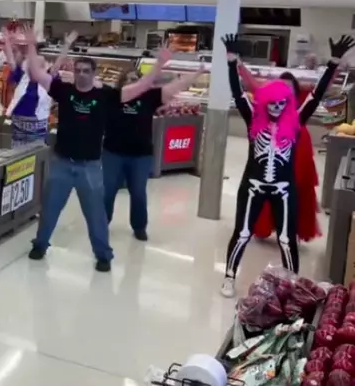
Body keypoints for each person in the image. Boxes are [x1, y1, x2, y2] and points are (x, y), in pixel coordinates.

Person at [21, 27, 167, 272]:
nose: (81, 75)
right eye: (78, 71)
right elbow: (37, 73)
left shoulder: (106, 96)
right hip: (62, 163)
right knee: (50, 209)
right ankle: (40, 244)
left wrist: (159, 65)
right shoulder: (64, 91)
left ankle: (103, 255)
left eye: (86, 71)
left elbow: (141, 86)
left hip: (90, 166)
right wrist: (31, 45)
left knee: (96, 215)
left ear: (94, 73)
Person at [220, 33, 352, 297]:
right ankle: (229, 276)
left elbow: (315, 97)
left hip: (284, 187)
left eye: (283, 103)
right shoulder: (252, 119)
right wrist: (231, 61)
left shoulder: (295, 121)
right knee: (242, 233)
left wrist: (334, 62)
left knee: (286, 238)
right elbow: (237, 93)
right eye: (273, 104)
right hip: (253, 185)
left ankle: (291, 283)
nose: (278, 108)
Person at [102, 54, 206, 241]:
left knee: (139, 193)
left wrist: (197, 73)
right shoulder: (112, 97)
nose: (133, 83)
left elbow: (175, 87)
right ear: (122, 82)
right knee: (108, 191)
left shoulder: (149, 97)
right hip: (112, 153)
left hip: (140, 155)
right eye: (129, 80)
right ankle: (102, 223)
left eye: (136, 79)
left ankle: (139, 227)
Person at [238, 66, 323, 243]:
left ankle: (292, 227)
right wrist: (238, 65)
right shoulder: (271, 102)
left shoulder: (301, 103)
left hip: (298, 144)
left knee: (298, 187)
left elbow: (320, 92)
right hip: (277, 144)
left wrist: (333, 67)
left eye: (289, 86)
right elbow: (251, 85)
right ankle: (264, 226)